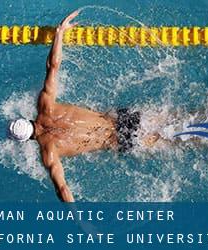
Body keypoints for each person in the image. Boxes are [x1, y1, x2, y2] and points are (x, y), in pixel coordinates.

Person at [8, 11, 160, 202]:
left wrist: (82, 223)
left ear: (26, 140)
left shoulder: (49, 152)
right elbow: (53, 66)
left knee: (178, 141)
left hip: (121, 140)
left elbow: (62, 189)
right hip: (122, 118)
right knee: (176, 118)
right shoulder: (45, 105)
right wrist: (59, 33)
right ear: (26, 119)